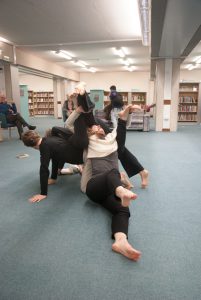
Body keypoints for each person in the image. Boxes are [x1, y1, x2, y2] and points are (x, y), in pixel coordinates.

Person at [67, 104, 142, 261]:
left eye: (100, 126)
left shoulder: (111, 139)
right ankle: (121, 190)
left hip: (109, 189)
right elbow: (69, 125)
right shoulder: (88, 141)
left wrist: (126, 113)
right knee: (113, 173)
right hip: (94, 186)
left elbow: (122, 127)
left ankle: (121, 242)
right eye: (95, 126)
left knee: (122, 210)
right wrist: (78, 111)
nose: (98, 127)